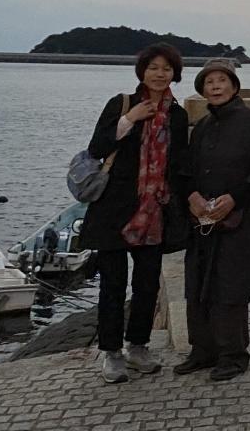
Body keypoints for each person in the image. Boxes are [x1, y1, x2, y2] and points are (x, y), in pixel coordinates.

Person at [83, 42, 190, 384]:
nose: (160, 74)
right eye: (153, 67)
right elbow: (97, 148)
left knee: (146, 285)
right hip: (115, 211)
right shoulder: (122, 103)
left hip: (155, 212)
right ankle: (111, 352)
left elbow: (180, 163)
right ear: (142, 71)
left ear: (175, 74)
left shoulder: (178, 115)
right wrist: (129, 120)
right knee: (112, 285)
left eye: (167, 69)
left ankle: (138, 346)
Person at [174, 57, 250, 381]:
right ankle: (202, 350)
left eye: (221, 81)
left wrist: (233, 199)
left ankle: (233, 355)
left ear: (233, 86)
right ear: (203, 89)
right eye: (209, 82)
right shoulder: (202, 127)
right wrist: (192, 197)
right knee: (198, 282)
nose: (215, 87)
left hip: (240, 218)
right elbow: (186, 171)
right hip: (203, 219)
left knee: (230, 285)